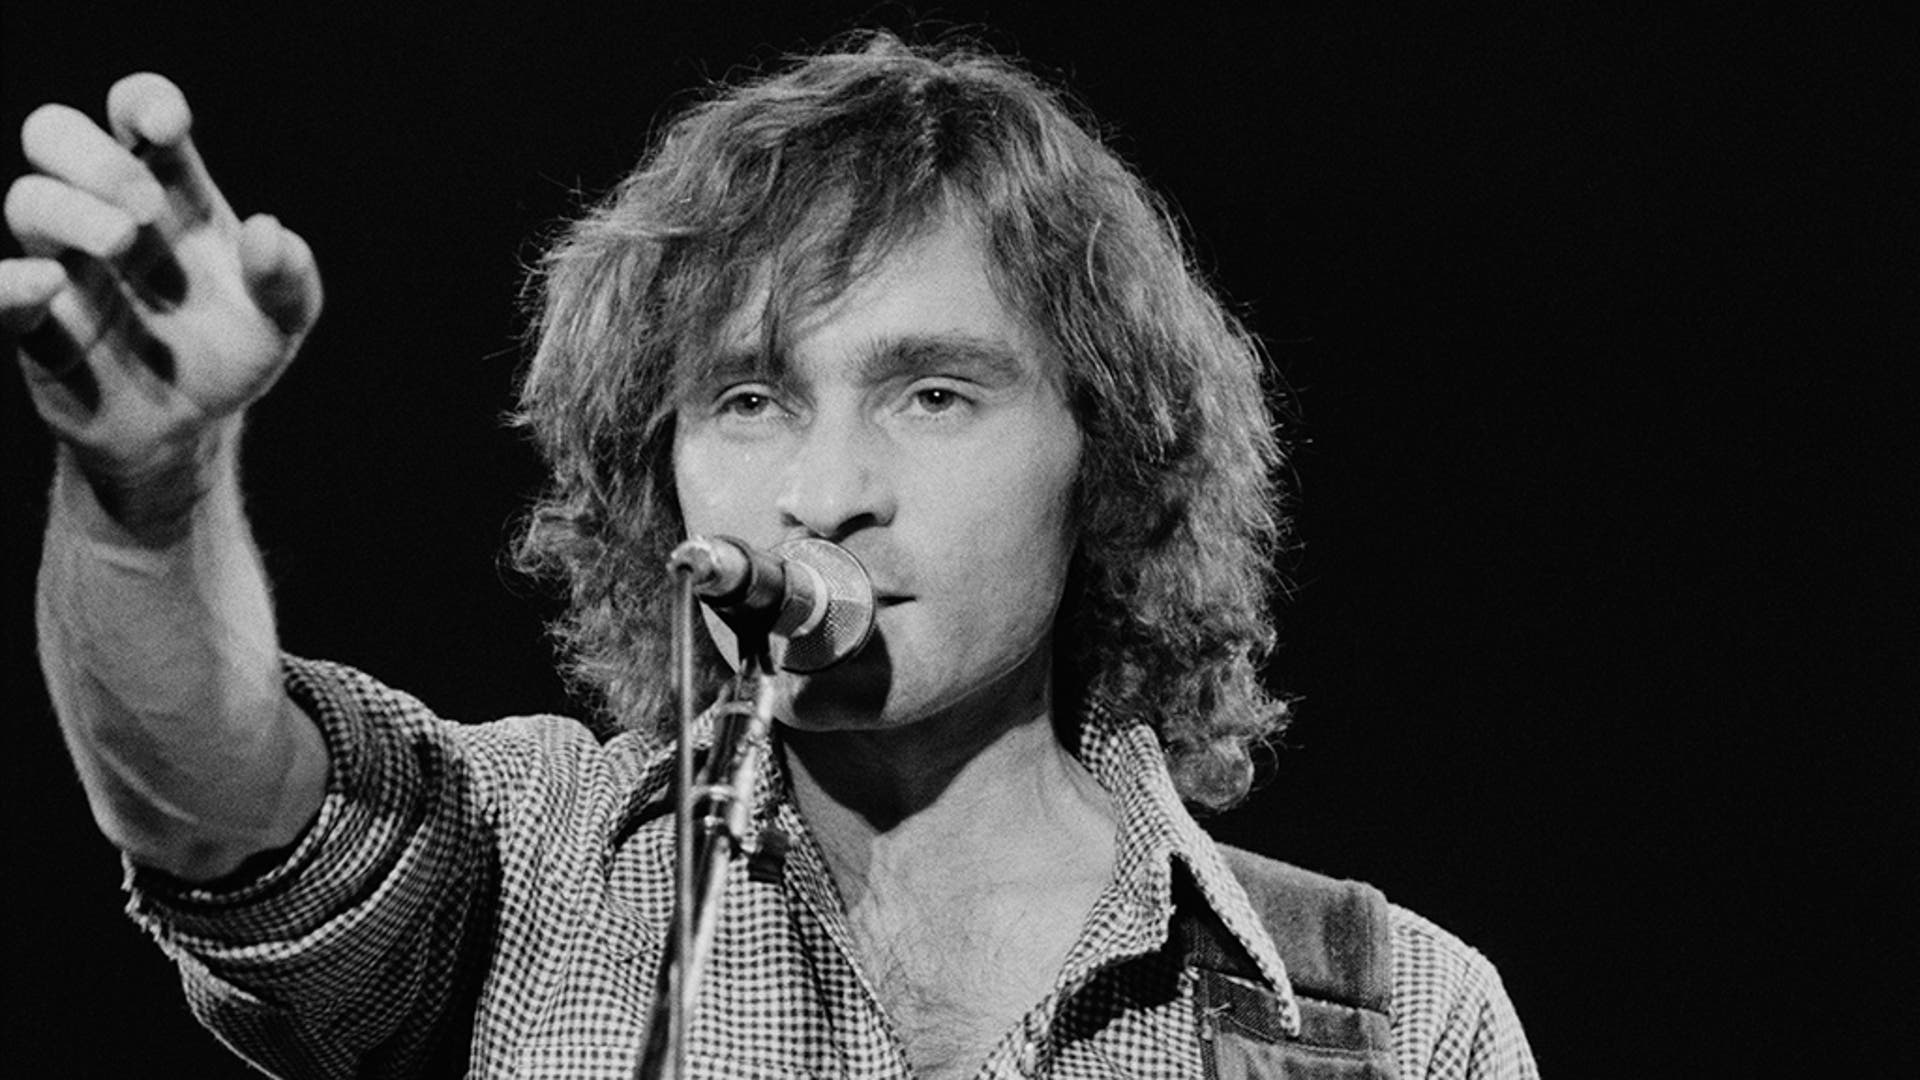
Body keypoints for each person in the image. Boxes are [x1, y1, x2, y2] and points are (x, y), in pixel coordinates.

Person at [4, 32, 1537, 1080]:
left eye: (933, 395)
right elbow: (217, 807)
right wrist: (148, 492)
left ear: (1109, 459)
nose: (826, 491)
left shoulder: (1393, 1020)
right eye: (750, 400)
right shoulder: (525, 867)